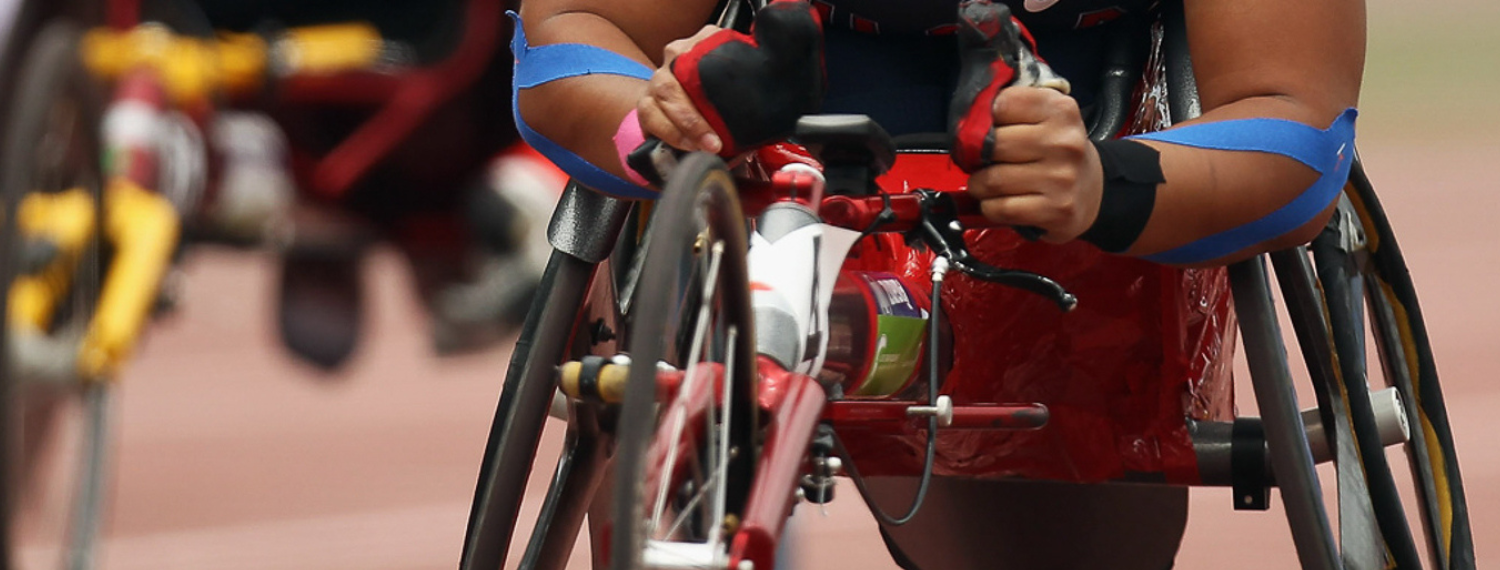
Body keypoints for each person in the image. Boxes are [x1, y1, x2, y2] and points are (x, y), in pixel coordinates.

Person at [508, 0, 1363, 268]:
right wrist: (660, 122)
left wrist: (1107, 184)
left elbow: (1294, 118)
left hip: (1082, 128)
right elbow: (576, 36)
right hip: (780, 99)